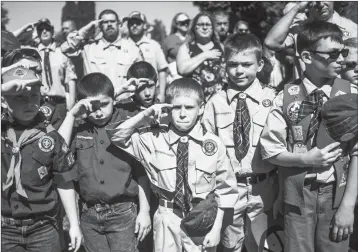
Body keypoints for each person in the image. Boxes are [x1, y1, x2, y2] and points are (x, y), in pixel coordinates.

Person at [106, 78, 238, 252]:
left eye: (189, 108)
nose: (182, 114)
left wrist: (216, 229)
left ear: (201, 109)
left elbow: (225, 190)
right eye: (176, 107)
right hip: (167, 216)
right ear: (167, 107)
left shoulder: (213, 145)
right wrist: (145, 114)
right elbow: (117, 137)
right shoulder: (153, 139)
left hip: (202, 217)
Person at [260, 21, 357, 252]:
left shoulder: (351, 94)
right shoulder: (284, 97)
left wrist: (348, 206)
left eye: (343, 52)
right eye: (333, 54)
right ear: (306, 56)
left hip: (337, 194)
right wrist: (305, 160)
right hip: (298, 196)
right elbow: (270, 150)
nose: (341, 59)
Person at [58, 72, 151, 252]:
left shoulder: (126, 124)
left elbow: (142, 173)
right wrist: (72, 114)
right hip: (89, 214)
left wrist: (144, 211)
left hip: (122, 212)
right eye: (92, 107)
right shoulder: (78, 129)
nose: (99, 112)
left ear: (114, 100)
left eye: (104, 105)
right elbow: (58, 149)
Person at [202, 33, 278, 252]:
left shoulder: (272, 99)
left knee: (265, 245)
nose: (239, 71)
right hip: (228, 189)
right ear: (225, 65)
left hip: (265, 189)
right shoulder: (215, 102)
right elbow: (207, 148)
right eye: (233, 64)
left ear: (260, 64)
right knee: (229, 246)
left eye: (246, 64)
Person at [1, 52, 82, 252]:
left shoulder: (51, 136)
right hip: (5, 228)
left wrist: (74, 223)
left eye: (33, 96)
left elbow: (64, 181)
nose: (28, 102)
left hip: (44, 227)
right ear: (3, 101)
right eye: (19, 97)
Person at [116, 61, 162, 252]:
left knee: (158, 238)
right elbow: (94, 108)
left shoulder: (166, 108)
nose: (147, 93)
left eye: (150, 85)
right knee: (138, 239)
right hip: (132, 186)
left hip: (159, 184)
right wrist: (119, 92)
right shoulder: (122, 109)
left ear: (157, 83)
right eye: (140, 88)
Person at [61, 9, 141, 102]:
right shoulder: (88, 48)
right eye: (105, 22)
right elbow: (65, 49)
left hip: (126, 106)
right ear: (99, 25)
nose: (109, 24)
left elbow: (140, 78)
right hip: (97, 106)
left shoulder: (132, 49)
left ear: (119, 24)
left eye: (112, 21)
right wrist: (85, 30)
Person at [265, 1, 358, 79]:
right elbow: (271, 42)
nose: (321, 4)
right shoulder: (299, 29)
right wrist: (296, 9)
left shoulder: (352, 29)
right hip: (306, 95)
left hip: (342, 95)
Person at [177, 12, 226, 102]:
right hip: (194, 100)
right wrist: (205, 55)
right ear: (194, 27)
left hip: (219, 101)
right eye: (200, 24)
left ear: (212, 28)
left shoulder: (221, 47)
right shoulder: (186, 48)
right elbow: (182, 70)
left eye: (208, 24)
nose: (204, 27)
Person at [126, 11, 168, 103]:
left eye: (138, 23)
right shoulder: (122, 46)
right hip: (129, 95)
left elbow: (162, 70)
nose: (134, 26)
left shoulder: (154, 45)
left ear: (144, 25)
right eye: (131, 23)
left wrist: (161, 93)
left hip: (151, 93)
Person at [36, 18, 77, 110]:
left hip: (59, 104)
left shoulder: (62, 53)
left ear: (53, 31)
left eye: (47, 28)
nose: (44, 31)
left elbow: (71, 79)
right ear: (37, 33)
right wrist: (25, 28)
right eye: (40, 29)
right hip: (38, 104)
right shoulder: (32, 54)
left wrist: (71, 104)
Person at [162, 12, 190, 82]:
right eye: (182, 22)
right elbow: (162, 62)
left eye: (187, 21)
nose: (186, 24)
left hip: (190, 76)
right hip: (174, 77)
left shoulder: (193, 39)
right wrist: (170, 74)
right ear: (176, 24)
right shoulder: (168, 40)